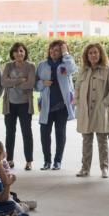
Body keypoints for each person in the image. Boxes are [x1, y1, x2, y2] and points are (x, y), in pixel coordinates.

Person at [74, 43, 109, 178]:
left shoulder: (107, 69)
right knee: (86, 141)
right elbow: (78, 88)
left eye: (95, 52)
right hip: (85, 111)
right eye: (90, 53)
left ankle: (104, 168)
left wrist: (105, 103)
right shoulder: (83, 70)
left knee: (102, 141)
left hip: (100, 110)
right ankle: (85, 168)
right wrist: (79, 103)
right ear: (87, 55)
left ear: (100, 54)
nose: (93, 55)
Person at [36, 40, 77, 171]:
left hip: (62, 106)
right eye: (52, 50)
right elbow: (35, 84)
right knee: (44, 134)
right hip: (47, 106)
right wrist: (43, 84)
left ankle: (57, 161)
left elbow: (72, 69)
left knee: (60, 134)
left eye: (57, 50)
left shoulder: (66, 63)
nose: (53, 53)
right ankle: (47, 161)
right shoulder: (42, 65)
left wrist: (66, 53)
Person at [1, 42, 35, 170]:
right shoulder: (8, 66)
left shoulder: (30, 66)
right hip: (10, 104)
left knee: (27, 133)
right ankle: (9, 159)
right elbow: (3, 82)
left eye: (21, 50)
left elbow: (30, 84)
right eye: (15, 51)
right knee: (10, 132)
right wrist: (20, 80)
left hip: (25, 104)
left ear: (25, 52)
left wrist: (12, 82)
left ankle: (29, 161)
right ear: (12, 54)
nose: (18, 53)